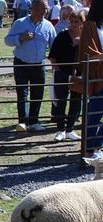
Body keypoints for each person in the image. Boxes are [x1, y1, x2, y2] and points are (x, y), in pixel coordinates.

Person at [5, 0, 56, 132]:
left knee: (37, 93)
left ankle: (34, 121)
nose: (45, 11)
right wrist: (20, 38)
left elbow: (54, 45)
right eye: (43, 9)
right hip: (21, 63)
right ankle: (22, 122)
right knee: (22, 93)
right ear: (33, 9)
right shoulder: (20, 23)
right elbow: (8, 40)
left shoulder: (48, 26)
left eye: (46, 9)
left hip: (39, 65)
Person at [48, 10, 84, 142]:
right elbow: (52, 56)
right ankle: (60, 130)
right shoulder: (62, 36)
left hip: (78, 74)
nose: (74, 24)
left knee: (76, 103)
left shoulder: (85, 38)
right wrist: (57, 69)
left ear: (82, 23)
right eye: (72, 21)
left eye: (77, 21)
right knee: (60, 102)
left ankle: (70, 129)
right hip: (62, 73)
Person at [77, 0, 103, 157]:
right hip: (97, 77)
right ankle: (88, 150)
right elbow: (87, 52)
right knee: (94, 115)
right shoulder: (89, 26)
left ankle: (97, 146)